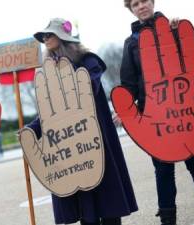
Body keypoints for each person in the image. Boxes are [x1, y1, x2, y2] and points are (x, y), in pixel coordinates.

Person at [120, 0, 194, 224]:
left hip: (185, 110)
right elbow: (128, 81)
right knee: (163, 170)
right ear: (131, 9)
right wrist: (128, 110)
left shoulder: (173, 28)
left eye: (144, 1)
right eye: (135, 4)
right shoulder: (131, 43)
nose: (141, 6)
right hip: (155, 116)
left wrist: (179, 35)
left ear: (152, 2)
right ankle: (168, 220)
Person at [27, 18, 138, 225]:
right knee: (83, 199)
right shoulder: (49, 71)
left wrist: (67, 78)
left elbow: (87, 90)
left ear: (62, 36)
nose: (45, 39)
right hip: (69, 142)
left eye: (49, 34)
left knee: (107, 197)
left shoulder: (88, 61)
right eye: (43, 36)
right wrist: (31, 129)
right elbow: (49, 108)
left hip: (95, 138)